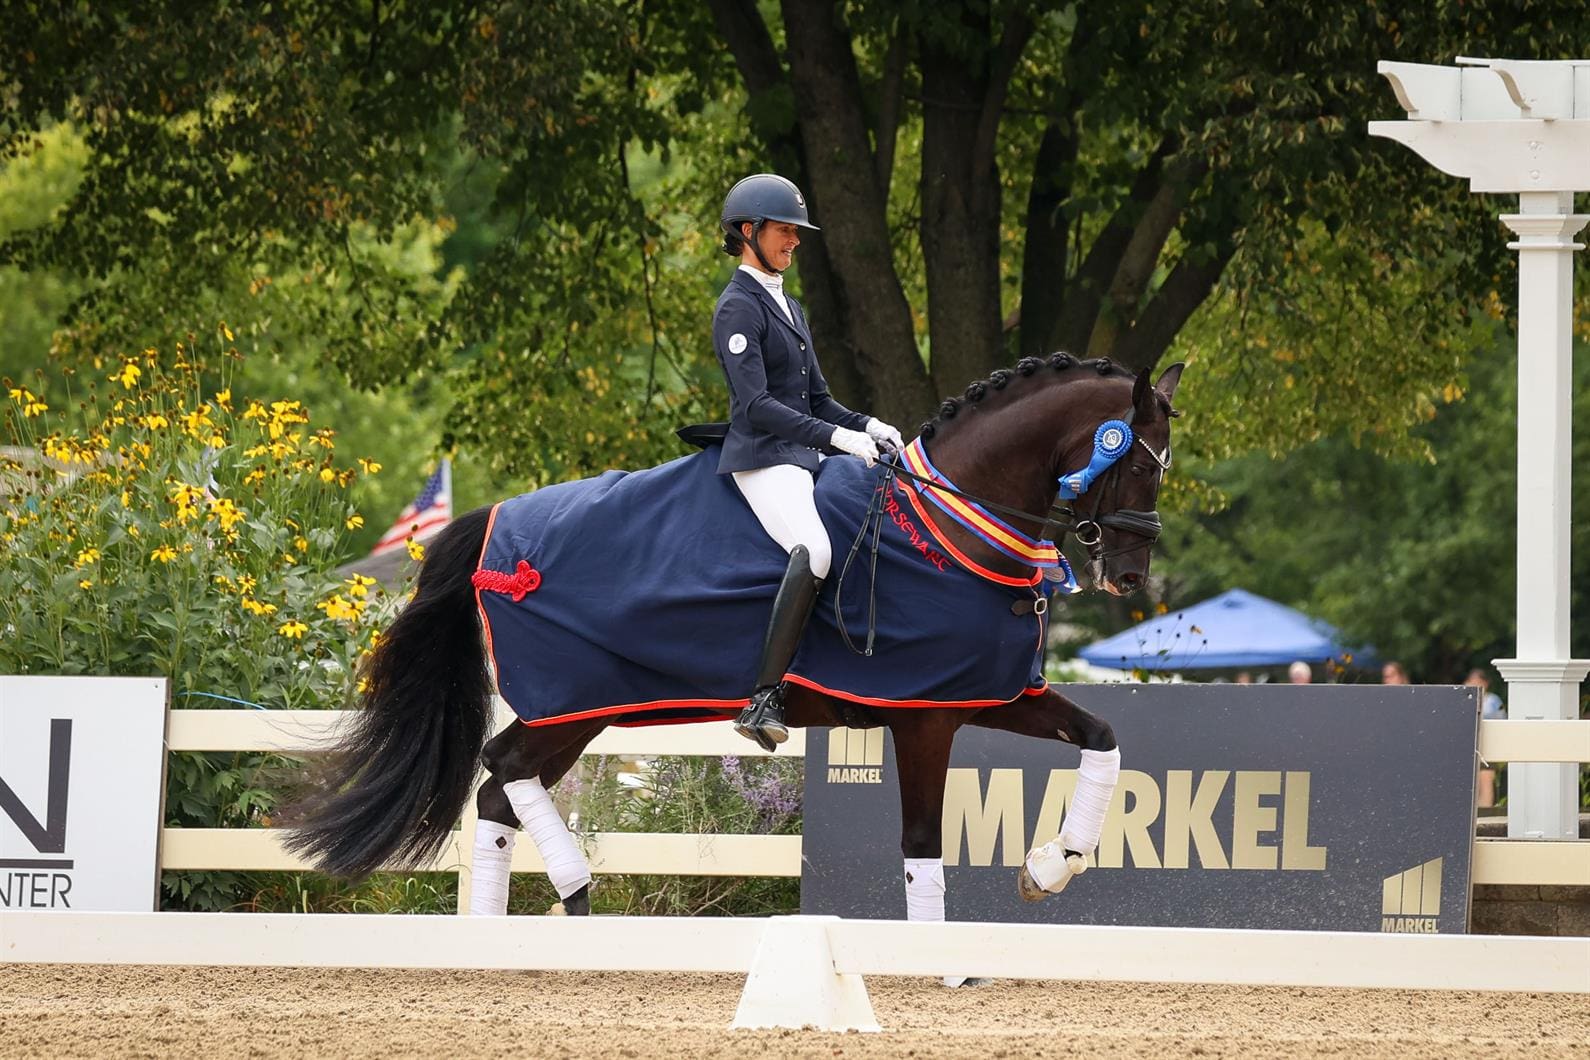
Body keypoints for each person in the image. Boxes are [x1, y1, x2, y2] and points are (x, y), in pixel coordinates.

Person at [712, 174, 905, 752]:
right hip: (763, 457)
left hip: (802, 454)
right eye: (784, 231)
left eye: (796, 232)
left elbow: (817, 398)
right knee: (815, 550)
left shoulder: (789, 306)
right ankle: (763, 697)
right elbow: (757, 406)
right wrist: (838, 439)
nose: (794, 241)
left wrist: (868, 425)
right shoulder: (737, 307)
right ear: (749, 231)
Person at [1465, 668, 1507, 808]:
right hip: (1469, 747)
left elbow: (1501, 722)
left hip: (1488, 745)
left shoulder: (1493, 701)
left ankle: (1485, 810)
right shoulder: (1465, 699)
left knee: (1486, 779)